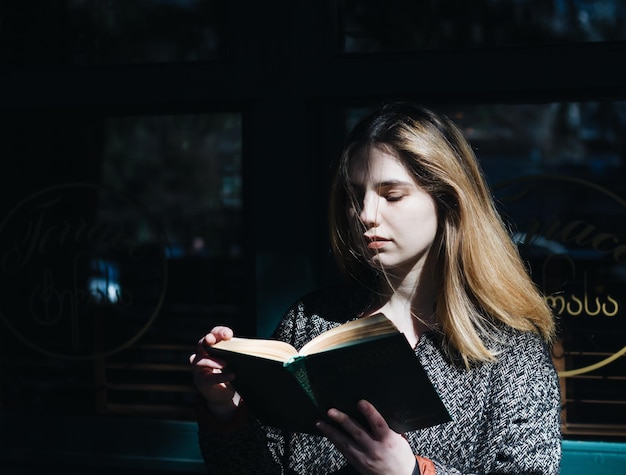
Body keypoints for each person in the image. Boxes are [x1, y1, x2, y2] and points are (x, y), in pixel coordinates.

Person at [190, 102, 561, 474]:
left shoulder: (509, 350)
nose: (366, 213)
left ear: (447, 201)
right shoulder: (312, 321)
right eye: (356, 195)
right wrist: (226, 407)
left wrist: (410, 472)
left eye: (392, 195)